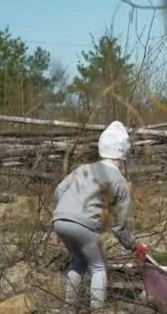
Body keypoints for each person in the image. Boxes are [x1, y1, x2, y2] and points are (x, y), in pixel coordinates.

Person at [52, 120, 150, 310]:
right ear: (123, 158)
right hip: (83, 226)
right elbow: (119, 225)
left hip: (59, 220)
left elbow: (58, 191)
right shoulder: (120, 182)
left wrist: (66, 212)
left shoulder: (83, 169)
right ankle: (97, 309)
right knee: (98, 267)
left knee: (78, 261)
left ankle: (68, 308)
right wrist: (132, 246)